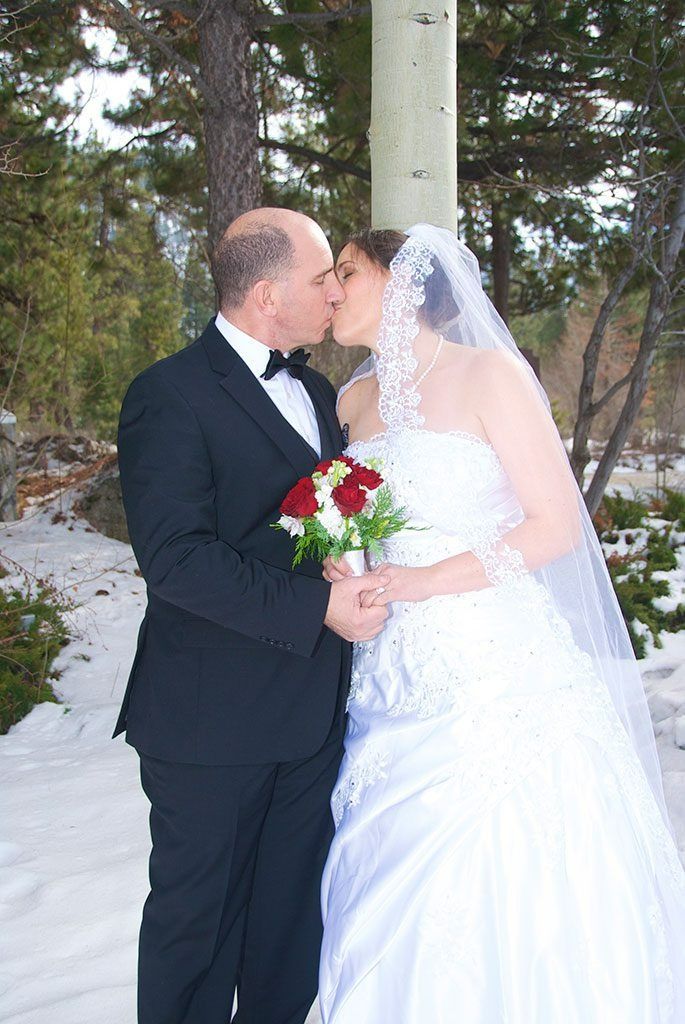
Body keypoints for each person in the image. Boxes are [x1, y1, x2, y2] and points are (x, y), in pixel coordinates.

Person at [318, 224, 685, 1023]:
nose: (332, 288)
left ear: (401, 279)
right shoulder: (351, 398)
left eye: (346, 271)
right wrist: (340, 566)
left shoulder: (489, 376)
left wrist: (421, 580)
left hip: (494, 669)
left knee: (500, 865)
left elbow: (552, 526)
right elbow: (349, 521)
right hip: (390, 676)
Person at [114, 207, 389, 1024]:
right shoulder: (168, 395)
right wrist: (320, 607)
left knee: (285, 937)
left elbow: (321, 523)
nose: (335, 293)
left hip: (309, 718)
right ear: (268, 296)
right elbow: (177, 562)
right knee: (196, 937)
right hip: (210, 726)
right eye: (320, 280)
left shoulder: (312, 388)